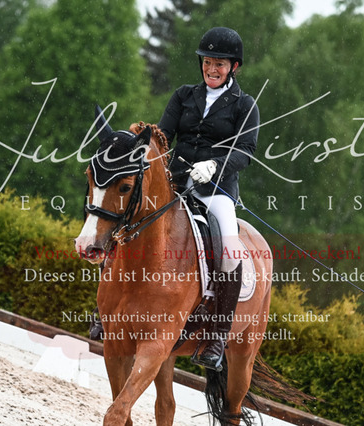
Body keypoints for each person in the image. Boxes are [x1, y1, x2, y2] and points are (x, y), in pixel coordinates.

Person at [158, 27, 260, 371]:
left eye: (219, 64)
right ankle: (105, 311)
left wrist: (215, 164)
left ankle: (216, 336)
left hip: (216, 190)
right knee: (130, 219)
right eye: (207, 62)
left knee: (229, 251)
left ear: (234, 67)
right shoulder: (184, 95)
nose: (211, 69)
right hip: (174, 181)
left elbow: (245, 151)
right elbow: (163, 135)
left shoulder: (245, 105)